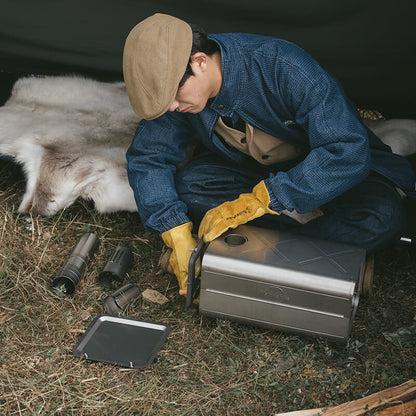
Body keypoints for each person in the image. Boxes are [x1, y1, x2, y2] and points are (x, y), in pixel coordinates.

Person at [123, 13, 415, 296]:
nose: (173, 106)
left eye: (176, 94)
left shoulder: (285, 66)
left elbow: (347, 151)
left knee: (383, 218)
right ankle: (321, 251)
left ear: (199, 62)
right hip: (251, 169)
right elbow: (149, 156)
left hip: (328, 173)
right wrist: (173, 228)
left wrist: (266, 198)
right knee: (190, 186)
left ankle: (243, 251)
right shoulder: (177, 93)